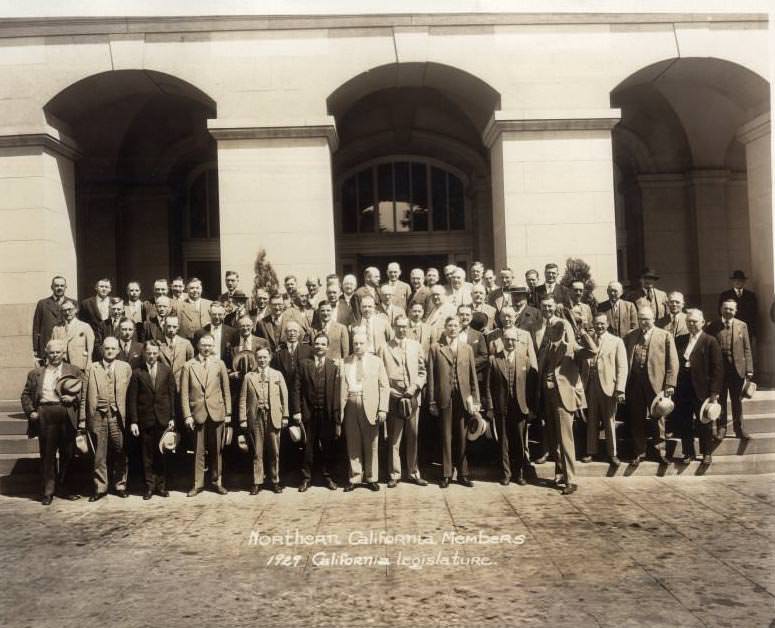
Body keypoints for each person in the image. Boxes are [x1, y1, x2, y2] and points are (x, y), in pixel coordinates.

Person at [535, 297, 596, 494]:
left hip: (564, 397)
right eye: (552, 330)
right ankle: (560, 473)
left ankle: (571, 479)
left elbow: (592, 350)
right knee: (554, 439)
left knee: (565, 439)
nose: (555, 332)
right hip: (548, 397)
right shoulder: (546, 348)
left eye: (558, 329)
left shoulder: (572, 349)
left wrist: (582, 332)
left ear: (564, 331)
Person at [20, 339, 82, 504]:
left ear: (63, 353)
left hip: (66, 413)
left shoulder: (74, 370)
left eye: (58, 352)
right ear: (46, 354)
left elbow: (84, 390)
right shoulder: (36, 373)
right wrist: (31, 411)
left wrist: (73, 398)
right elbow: (25, 395)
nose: (55, 355)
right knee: (47, 455)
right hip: (45, 414)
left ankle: (65, 488)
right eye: (52, 352)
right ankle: (48, 491)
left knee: (68, 453)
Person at [427, 316, 480, 488]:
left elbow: (472, 376)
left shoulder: (467, 348)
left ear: (460, 328)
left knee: (462, 436)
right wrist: (432, 401)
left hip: (463, 398)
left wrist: (476, 399)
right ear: (445, 327)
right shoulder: (436, 348)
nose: (452, 328)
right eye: (449, 325)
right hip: (444, 397)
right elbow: (431, 376)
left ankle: (463, 474)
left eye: (455, 325)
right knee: (446, 435)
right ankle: (446, 474)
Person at [623, 306, 678, 465]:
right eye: (640, 319)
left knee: (658, 416)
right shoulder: (631, 335)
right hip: (635, 382)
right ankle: (639, 452)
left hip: (657, 383)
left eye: (646, 319)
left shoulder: (665, 335)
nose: (643, 322)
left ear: (653, 319)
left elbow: (673, 362)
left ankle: (660, 452)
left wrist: (670, 384)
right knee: (636, 417)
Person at [80, 336, 132, 501]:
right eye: (107, 348)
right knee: (99, 453)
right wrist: (82, 419)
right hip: (98, 415)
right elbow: (84, 396)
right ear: (102, 349)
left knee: (120, 450)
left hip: (118, 416)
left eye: (113, 348)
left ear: (118, 350)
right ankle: (100, 487)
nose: (110, 351)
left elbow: (130, 394)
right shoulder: (92, 368)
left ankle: (120, 485)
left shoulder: (125, 367)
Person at [378, 316, 427, 487]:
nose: (402, 329)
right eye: (399, 326)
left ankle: (413, 472)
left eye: (405, 326)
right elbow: (381, 374)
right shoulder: (384, 348)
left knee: (413, 436)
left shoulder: (416, 346)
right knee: (394, 438)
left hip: (412, 397)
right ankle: (395, 474)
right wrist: (390, 391)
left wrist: (415, 387)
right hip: (394, 397)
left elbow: (423, 371)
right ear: (393, 327)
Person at [181, 334, 232, 496]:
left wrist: (228, 412)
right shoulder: (188, 365)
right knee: (198, 450)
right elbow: (184, 393)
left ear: (213, 346)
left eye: (209, 345)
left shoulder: (219, 364)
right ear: (198, 346)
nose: (206, 348)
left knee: (217, 450)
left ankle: (217, 482)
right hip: (197, 413)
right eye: (203, 345)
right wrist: (187, 415)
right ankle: (198, 484)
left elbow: (226, 389)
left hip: (217, 412)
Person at [485, 327, 537, 486]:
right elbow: (488, 386)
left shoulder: (525, 360)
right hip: (501, 407)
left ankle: (519, 474)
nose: (510, 342)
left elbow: (531, 388)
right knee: (504, 441)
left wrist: (530, 408)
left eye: (513, 340)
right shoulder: (494, 360)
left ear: (517, 341)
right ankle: (506, 474)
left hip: (520, 407)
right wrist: (490, 407)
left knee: (520, 441)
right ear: (502, 340)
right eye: (507, 339)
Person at [339, 331, 390, 492]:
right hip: (350, 403)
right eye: (355, 343)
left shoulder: (376, 361)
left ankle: (371, 478)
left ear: (367, 344)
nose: (358, 346)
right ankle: (354, 477)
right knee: (353, 441)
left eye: (361, 343)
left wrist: (383, 408)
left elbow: (384, 386)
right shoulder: (345, 362)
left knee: (371, 443)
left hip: (370, 405)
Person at [127, 341, 176, 499]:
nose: (152, 356)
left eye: (155, 353)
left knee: (162, 454)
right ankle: (149, 486)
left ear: (159, 353)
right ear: (144, 353)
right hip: (145, 419)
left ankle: (161, 486)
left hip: (163, 418)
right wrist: (134, 421)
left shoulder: (166, 370)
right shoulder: (137, 373)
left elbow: (172, 395)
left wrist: (172, 417)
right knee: (146, 455)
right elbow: (132, 399)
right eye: (149, 353)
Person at [673, 309, 723, 465]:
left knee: (704, 421)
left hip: (702, 388)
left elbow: (717, 369)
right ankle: (688, 452)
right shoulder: (680, 340)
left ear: (702, 322)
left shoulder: (710, 341)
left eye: (694, 321)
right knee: (684, 421)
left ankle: (707, 452)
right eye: (688, 321)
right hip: (683, 387)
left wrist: (714, 392)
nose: (691, 324)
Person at [292, 334, 341, 491]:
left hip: (327, 413)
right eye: (317, 344)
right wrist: (297, 411)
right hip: (308, 412)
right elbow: (296, 389)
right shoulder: (303, 364)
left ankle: (327, 476)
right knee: (308, 447)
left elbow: (337, 392)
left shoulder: (333, 366)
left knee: (327, 445)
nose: (320, 346)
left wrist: (336, 415)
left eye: (323, 344)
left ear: (328, 347)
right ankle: (306, 478)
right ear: (313, 346)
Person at [581, 313, 628, 466]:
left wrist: (620, 389)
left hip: (609, 386)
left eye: (602, 323)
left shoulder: (616, 341)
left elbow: (622, 367)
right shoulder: (587, 340)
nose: (599, 326)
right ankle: (591, 451)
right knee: (592, 419)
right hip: (590, 384)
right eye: (596, 323)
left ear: (607, 324)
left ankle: (612, 453)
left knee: (609, 420)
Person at [240, 347, 289, 494]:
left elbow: (284, 396)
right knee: (257, 451)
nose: (262, 360)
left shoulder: (277, 375)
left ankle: (275, 480)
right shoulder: (249, 377)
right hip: (255, 418)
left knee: (274, 451)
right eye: (259, 357)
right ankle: (257, 481)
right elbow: (243, 399)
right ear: (256, 358)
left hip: (274, 416)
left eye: (265, 357)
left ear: (270, 358)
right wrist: (243, 418)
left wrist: (285, 416)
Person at [706, 299, 754, 439]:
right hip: (719, 371)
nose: (728, 311)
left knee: (736, 400)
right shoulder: (712, 326)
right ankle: (721, 429)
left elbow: (747, 348)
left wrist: (749, 369)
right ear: (721, 309)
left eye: (731, 309)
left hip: (737, 369)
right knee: (721, 400)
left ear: (736, 311)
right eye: (725, 308)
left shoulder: (742, 325)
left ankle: (739, 429)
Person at [32, 275, 77, 365]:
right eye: (56, 286)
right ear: (52, 287)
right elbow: (36, 328)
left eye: (62, 286)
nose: (59, 288)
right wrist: (36, 349)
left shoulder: (73, 303)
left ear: (66, 287)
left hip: (67, 348)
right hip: (48, 347)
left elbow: (77, 325)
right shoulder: (43, 304)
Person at [51, 300, 95, 371]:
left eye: (70, 309)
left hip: (80, 364)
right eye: (64, 310)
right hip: (61, 366)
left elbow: (90, 347)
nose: (67, 312)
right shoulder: (57, 329)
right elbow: (52, 348)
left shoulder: (85, 326)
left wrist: (89, 362)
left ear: (76, 310)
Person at [193, 301, 238, 366]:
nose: (217, 317)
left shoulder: (232, 333)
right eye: (214, 314)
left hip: (225, 368)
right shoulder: (200, 333)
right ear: (209, 313)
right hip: (205, 367)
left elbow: (234, 354)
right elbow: (196, 354)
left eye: (220, 314)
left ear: (224, 314)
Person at [157, 316, 194, 392]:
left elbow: (191, 364)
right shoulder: (157, 344)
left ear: (178, 327)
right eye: (169, 326)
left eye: (174, 327)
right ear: (164, 326)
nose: (171, 330)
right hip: (163, 387)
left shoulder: (186, 344)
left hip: (181, 386)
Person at [718, 270, 758, 339]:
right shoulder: (725, 295)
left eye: (740, 280)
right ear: (732, 282)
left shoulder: (750, 295)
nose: (737, 282)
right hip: (731, 327)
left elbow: (754, 313)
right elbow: (720, 311)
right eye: (735, 280)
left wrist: (753, 331)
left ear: (744, 282)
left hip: (747, 328)